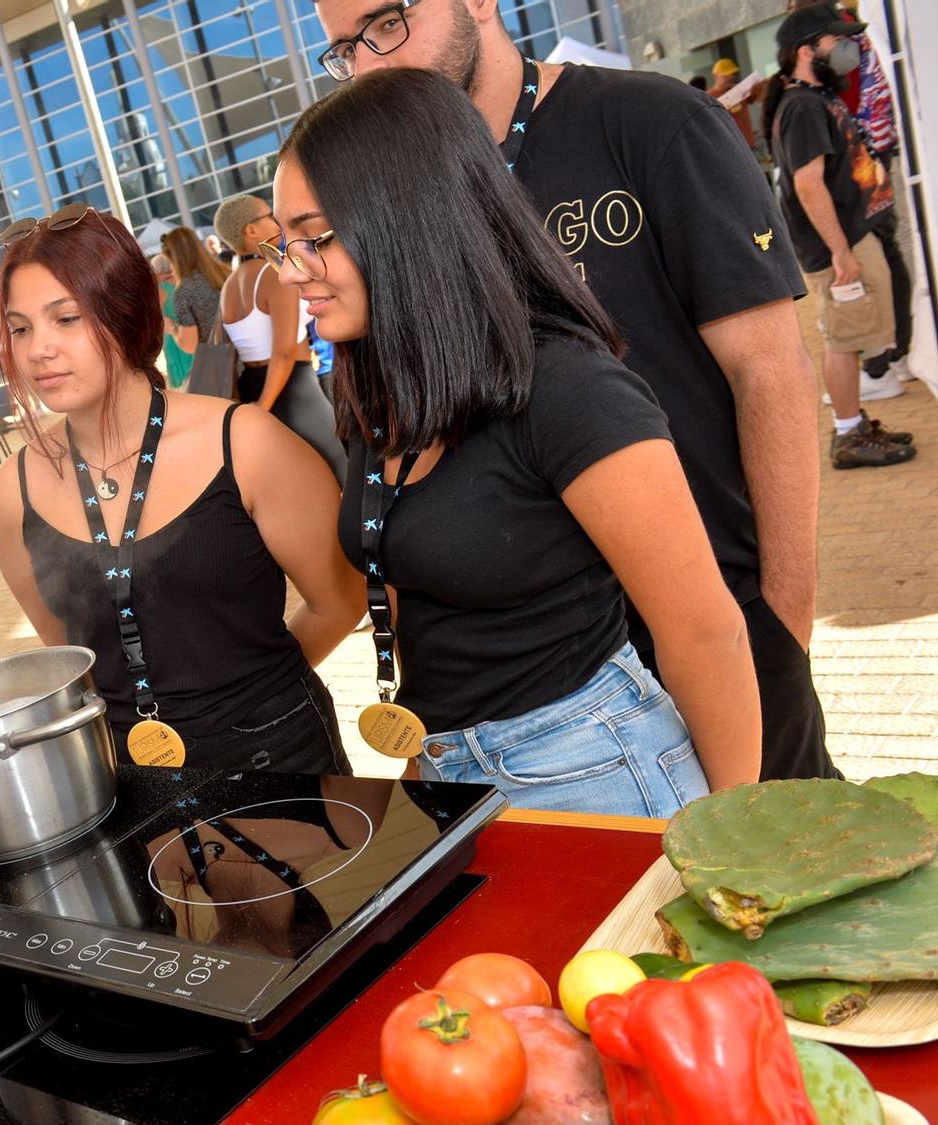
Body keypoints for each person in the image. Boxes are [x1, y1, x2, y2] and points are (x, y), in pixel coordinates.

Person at [313, 0, 841, 782]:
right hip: (545, 686)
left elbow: (770, 370)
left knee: (774, 871)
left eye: (388, 22)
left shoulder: (652, 125)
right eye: (345, 49)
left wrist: (783, 615)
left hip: (710, 616)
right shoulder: (389, 212)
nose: (369, 64)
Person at [274, 70, 759, 814]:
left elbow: (705, 633)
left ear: (405, 220)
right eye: (284, 242)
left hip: (598, 771)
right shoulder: (381, 388)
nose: (290, 270)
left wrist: (735, 846)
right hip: (452, 778)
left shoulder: (567, 389)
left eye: (314, 240)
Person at [0, 205, 364, 774]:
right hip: (126, 781)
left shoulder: (246, 442)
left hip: (278, 761)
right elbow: (68, 650)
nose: (39, 348)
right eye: (20, 328)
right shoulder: (13, 490)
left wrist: (251, 699)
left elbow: (341, 600)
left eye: (66, 319)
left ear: (127, 314)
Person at [765, 4, 916, 468]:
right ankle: (847, 435)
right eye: (838, 41)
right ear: (807, 50)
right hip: (839, 245)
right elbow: (808, 185)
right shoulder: (803, 107)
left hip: (850, 237)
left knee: (851, 336)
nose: (849, 48)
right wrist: (840, 253)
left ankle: (854, 423)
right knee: (844, 340)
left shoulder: (816, 97)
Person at [211, 193, 344, 481]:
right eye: (269, 216)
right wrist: (262, 411)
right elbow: (283, 351)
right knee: (343, 475)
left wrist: (254, 411)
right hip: (293, 393)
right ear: (250, 230)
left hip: (254, 391)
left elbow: (230, 352)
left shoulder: (229, 286)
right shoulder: (273, 275)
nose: (277, 220)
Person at [160, 226, 226, 361]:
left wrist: (172, 328)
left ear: (174, 259)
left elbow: (190, 345)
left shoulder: (183, 292)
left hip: (220, 364)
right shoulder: (225, 273)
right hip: (250, 356)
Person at [152, 254, 191, 389]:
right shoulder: (179, 283)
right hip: (184, 330)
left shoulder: (157, 290)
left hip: (168, 333)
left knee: (175, 361)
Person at [709, 58, 759, 149]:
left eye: (732, 74)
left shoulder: (739, 90)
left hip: (749, 143)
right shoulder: (709, 97)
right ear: (716, 76)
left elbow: (753, 99)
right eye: (726, 75)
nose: (730, 77)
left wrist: (756, 89)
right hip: (732, 147)